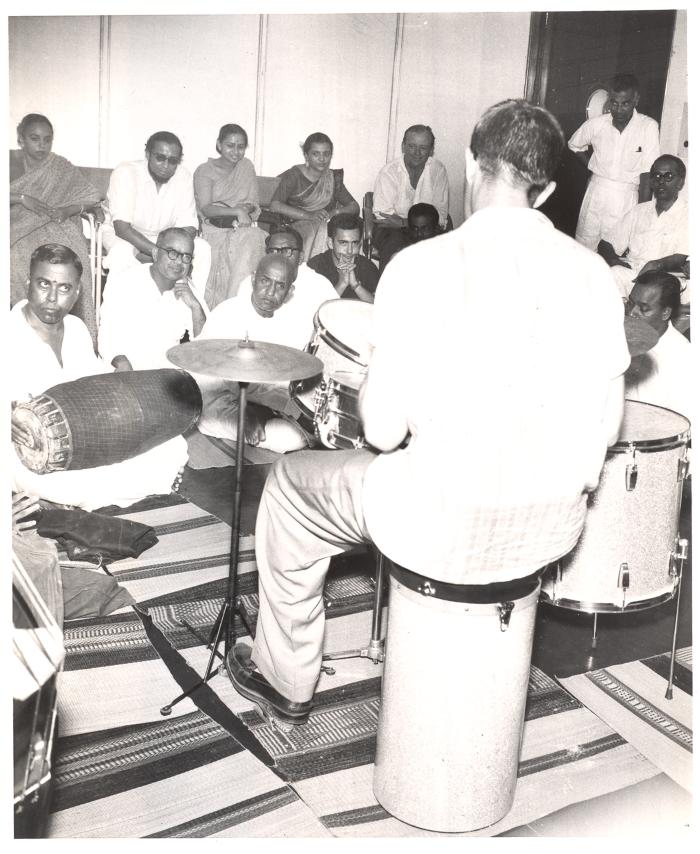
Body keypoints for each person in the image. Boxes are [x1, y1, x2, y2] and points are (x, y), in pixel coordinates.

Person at [226, 99, 629, 727]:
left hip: (442, 521)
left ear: (470, 162)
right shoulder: (596, 276)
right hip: (554, 528)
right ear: (546, 189)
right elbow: (605, 429)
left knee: (288, 486)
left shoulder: (418, 266)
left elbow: (384, 432)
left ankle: (285, 677)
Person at [10, 244, 187, 511]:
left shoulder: (77, 329)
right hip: (26, 451)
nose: (52, 297)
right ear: (28, 283)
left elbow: (95, 380)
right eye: (44, 284)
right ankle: (76, 497)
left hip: (82, 441)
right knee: (73, 483)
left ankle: (69, 502)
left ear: (77, 293)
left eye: (64, 288)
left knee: (174, 448)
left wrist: (123, 381)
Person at [195, 254, 318, 453]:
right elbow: (208, 378)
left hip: (268, 402)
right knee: (290, 439)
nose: (270, 292)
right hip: (222, 402)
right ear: (253, 279)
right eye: (264, 281)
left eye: (280, 286)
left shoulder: (295, 323)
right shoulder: (227, 313)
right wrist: (243, 411)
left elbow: (287, 382)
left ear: (289, 292)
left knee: (313, 426)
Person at [10, 113, 103, 343]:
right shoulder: (9, 162)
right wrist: (22, 198)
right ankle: (25, 331)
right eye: (35, 138)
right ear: (21, 139)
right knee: (16, 257)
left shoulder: (59, 166)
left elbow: (92, 195)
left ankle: (76, 336)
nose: (42, 145)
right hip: (16, 227)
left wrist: (67, 211)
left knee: (74, 256)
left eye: (47, 139)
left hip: (56, 223)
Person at [101, 131, 211, 301]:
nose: (166, 165)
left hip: (167, 241)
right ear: (148, 154)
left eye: (173, 160)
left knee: (203, 248)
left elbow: (189, 227)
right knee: (121, 253)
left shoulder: (184, 177)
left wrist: (169, 250)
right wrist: (158, 252)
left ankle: (192, 309)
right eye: (160, 157)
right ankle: (119, 310)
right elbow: (122, 228)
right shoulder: (126, 172)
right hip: (125, 236)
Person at [568, 73, 660, 250]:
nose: (618, 110)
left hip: (625, 198)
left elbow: (647, 174)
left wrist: (641, 215)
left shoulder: (648, 127)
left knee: (615, 251)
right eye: (614, 103)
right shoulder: (597, 124)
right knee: (585, 249)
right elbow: (574, 145)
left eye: (625, 103)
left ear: (636, 100)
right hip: (596, 194)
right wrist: (591, 166)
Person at [98, 228, 207, 370]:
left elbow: (205, 348)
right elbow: (107, 336)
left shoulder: (188, 291)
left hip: (167, 377)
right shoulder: (125, 282)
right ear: (155, 253)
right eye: (172, 253)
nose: (179, 261)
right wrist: (121, 363)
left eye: (186, 256)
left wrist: (195, 307)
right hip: (125, 371)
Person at [193, 123, 267, 308]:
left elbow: (253, 203)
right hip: (213, 230)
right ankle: (226, 308)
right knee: (248, 241)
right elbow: (206, 208)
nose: (235, 151)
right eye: (230, 145)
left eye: (240, 146)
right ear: (219, 145)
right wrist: (236, 210)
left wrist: (245, 209)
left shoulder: (246, 166)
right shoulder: (205, 170)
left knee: (254, 237)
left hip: (243, 227)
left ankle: (239, 305)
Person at [597, 155, 688, 299]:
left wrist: (655, 265)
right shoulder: (639, 211)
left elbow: (680, 258)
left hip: (666, 280)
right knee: (611, 273)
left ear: (680, 182)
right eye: (656, 176)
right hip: (632, 274)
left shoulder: (688, 214)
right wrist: (614, 260)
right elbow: (605, 243)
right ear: (651, 182)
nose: (661, 181)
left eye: (668, 176)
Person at [269, 132, 359, 261]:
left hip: (323, 225)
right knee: (323, 229)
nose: (322, 159)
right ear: (306, 156)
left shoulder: (332, 178)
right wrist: (309, 216)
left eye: (326, 154)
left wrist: (335, 212)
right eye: (316, 154)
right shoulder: (294, 175)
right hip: (295, 226)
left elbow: (354, 207)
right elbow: (275, 205)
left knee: (344, 231)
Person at [372, 125, 449, 272]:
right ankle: (388, 291)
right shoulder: (389, 172)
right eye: (412, 146)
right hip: (392, 231)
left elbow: (441, 216)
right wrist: (411, 225)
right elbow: (383, 216)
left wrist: (403, 222)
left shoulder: (438, 171)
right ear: (403, 146)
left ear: (431, 150)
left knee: (443, 248)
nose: (417, 153)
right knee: (394, 245)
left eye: (423, 148)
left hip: (427, 229)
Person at [624, 271, 691, 416]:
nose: (631, 313)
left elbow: (681, 425)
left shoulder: (683, 358)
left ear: (665, 313)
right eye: (630, 303)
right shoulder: (619, 338)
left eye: (644, 309)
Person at [237, 225, 338, 319]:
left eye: (286, 251)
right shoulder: (251, 283)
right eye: (273, 251)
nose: (279, 256)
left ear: (301, 257)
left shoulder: (319, 286)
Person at [307, 213, 378, 302]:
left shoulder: (367, 267)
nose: (349, 251)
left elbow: (379, 308)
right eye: (343, 243)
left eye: (354, 243)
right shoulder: (316, 266)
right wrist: (342, 283)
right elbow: (314, 310)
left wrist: (356, 285)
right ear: (330, 243)